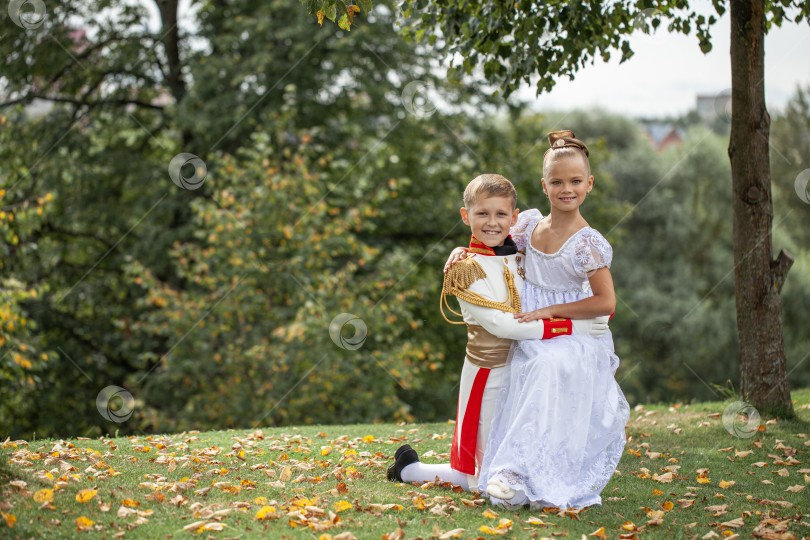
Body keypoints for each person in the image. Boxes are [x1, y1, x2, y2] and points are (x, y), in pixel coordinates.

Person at [386, 173, 609, 491]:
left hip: (526, 369)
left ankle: (410, 468)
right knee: (486, 474)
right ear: (466, 216)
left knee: (513, 456)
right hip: (488, 375)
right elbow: (503, 325)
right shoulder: (466, 269)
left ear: (514, 218)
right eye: (482, 214)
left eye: (501, 214)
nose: (492, 222)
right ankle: (410, 470)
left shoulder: (520, 256)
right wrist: (574, 325)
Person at [467, 130, 630, 509]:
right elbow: (491, 242)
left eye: (575, 181)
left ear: (589, 184)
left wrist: (552, 311)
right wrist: (461, 252)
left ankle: (512, 471)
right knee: (519, 360)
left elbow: (606, 302)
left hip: (574, 333)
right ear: (544, 186)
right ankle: (506, 469)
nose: (566, 189)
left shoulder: (587, 242)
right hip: (531, 323)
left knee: (544, 363)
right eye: (557, 182)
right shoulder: (529, 226)